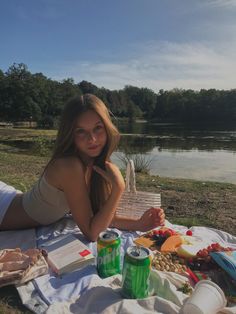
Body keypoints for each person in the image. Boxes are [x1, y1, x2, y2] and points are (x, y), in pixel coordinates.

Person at [0, 94, 165, 241]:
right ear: (70, 134)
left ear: (107, 128)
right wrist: (118, 188)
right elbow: (92, 232)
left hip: (12, 196)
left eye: (98, 128)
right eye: (81, 131)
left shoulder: (94, 162)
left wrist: (139, 224)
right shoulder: (69, 166)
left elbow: (100, 217)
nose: (92, 139)